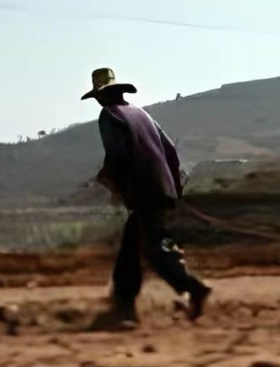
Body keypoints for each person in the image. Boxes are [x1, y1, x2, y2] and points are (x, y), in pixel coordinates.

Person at [83, 67, 210, 328]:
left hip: (144, 191)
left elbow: (118, 157)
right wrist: (174, 190)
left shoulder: (109, 115)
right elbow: (170, 152)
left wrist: (110, 181)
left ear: (102, 95)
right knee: (132, 247)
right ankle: (124, 305)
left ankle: (193, 288)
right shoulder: (142, 114)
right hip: (161, 189)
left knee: (153, 248)